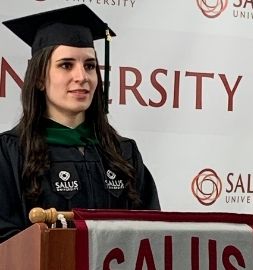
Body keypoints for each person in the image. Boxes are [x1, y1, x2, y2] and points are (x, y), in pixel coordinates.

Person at [0, 4, 160, 243]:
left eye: (90, 65)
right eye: (66, 65)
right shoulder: (10, 153)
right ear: (40, 78)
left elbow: (153, 235)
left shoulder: (124, 154)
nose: (82, 77)